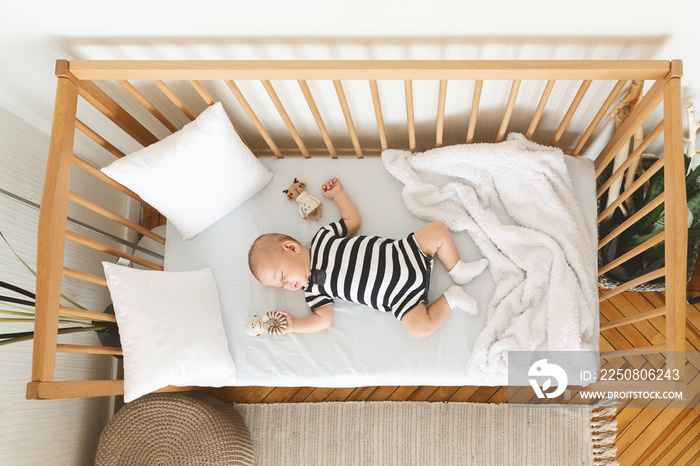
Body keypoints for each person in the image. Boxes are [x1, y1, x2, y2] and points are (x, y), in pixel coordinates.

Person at [248, 178, 488, 338]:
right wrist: (293, 326)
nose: (286, 286)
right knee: (420, 328)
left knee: (436, 230)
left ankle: (457, 269)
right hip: (401, 298)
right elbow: (323, 320)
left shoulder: (323, 238)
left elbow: (352, 221)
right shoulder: (313, 291)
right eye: (280, 286)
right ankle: (451, 299)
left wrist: (339, 195)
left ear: (291, 248)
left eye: (282, 276)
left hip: (405, 254)